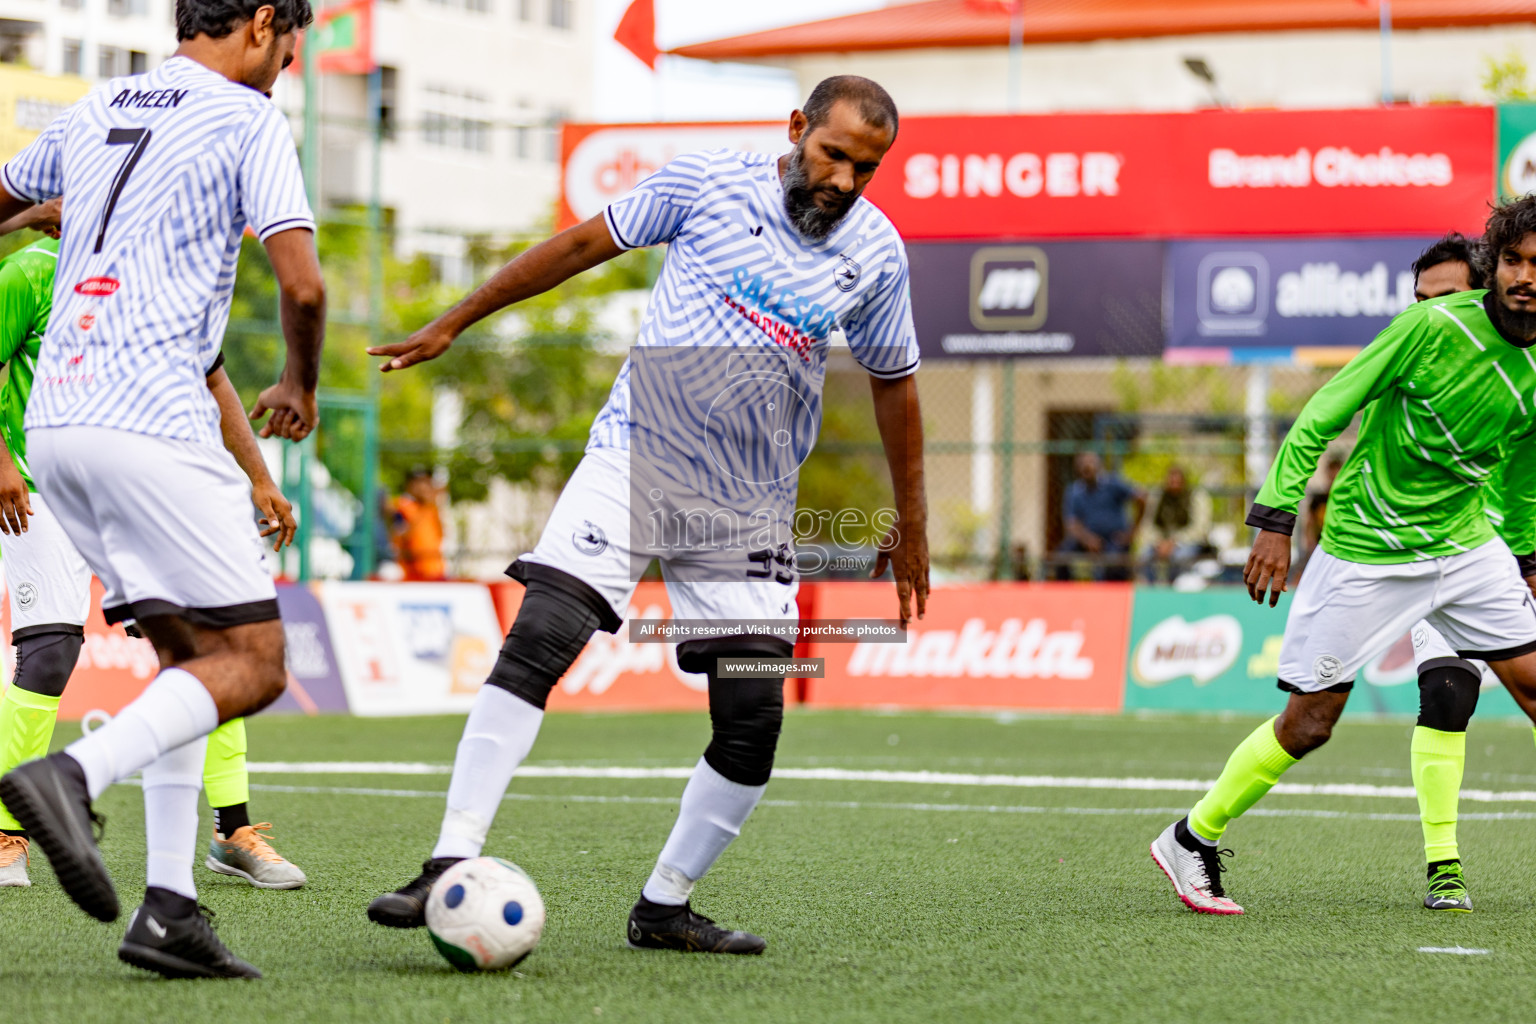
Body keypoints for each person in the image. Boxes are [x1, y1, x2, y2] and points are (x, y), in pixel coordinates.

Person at [365, 75, 927, 955]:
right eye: (834, 156)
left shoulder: (880, 255)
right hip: (639, 454)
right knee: (542, 634)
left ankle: (664, 906)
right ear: (796, 129)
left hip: (748, 506)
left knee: (752, 722)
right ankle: (447, 861)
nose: (846, 183)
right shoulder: (705, 181)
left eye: (867, 169)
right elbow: (582, 244)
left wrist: (914, 520)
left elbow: (896, 384)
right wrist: (456, 320)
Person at [0, 0, 324, 980]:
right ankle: (68, 775)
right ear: (263, 22)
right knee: (256, 661)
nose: (290, 67)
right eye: (293, 45)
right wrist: (299, 382)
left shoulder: (94, 105)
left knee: (188, 661)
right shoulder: (245, 115)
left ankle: (169, 910)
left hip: (57, 427)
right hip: (152, 423)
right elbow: (302, 285)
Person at [1150, 198, 1536, 916]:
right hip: (1368, 549)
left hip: (1463, 543)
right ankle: (1191, 836)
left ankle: (1442, 867)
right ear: (1496, 265)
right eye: (1514, 260)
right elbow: (1324, 410)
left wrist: (1527, 557)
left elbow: (1522, 472)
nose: (1524, 277)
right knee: (1310, 724)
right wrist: (1273, 517)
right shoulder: (1427, 328)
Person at [0, 209, 305, 893]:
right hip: (40, 489)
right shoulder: (27, 273)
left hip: (137, 489)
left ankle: (232, 830)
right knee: (50, 652)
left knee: (208, 649)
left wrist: (258, 477)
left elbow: (214, 380)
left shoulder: (163, 282)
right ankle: (6, 832)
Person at [1393, 232, 1498, 913]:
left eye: (1450, 298)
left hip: (1525, 555)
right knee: (1447, 700)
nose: (1433, 315)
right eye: (1421, 302)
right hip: (1454, 560)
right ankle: (1444, 866)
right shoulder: (1407, 371)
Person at [1054, 452, 1144, 581]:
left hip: (1113, 539)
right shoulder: (1075, 491)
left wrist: (1132, 532)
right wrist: (1088, 539)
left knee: (1113, 564)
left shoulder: (1113, 484)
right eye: (1083, 466)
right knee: (1061, 558)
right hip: (1088, 539)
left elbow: (1141, 498)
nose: (1087, 468)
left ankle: (1111, 597)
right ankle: (1065, 596)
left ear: (1098, 466)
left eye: (1090, 465)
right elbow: (1072, 523)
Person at [1139, 465, 1211, 584]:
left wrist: (1174, 542)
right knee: (1144, 555)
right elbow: (1148, 524)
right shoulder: (1158, 497)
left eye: (1177, 481)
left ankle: (1174, 589)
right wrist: (1158, 542)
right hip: (1160, 542)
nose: (1174, 485)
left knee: (1180, 557)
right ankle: (1151, 590)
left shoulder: (1195, 497)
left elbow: (1199, 528)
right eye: (1171, 481)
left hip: (1187, 543)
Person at [393, 467, 446, 581]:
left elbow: (441, 535)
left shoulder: (431, 508)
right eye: (420, 482)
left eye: (427, 482)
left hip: (435, 570)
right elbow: (402, 537)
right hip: (413, 574)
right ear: (410, 485)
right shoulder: (402, 507)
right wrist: (424, 509)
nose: (425, 487)